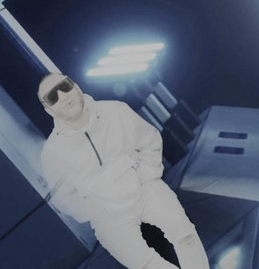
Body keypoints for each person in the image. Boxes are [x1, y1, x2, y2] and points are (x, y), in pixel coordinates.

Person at [38, 72, 210, 269]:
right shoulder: (53, 152)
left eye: (64, 87)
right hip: (108, 218)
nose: (63, 96)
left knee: (184, 234)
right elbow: (64, 198)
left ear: (75, 86)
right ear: (49, 110)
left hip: (145, 189)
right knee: (145, 264)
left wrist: (146, 176)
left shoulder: (115, 110)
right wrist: (97, 211)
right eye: (52, 96)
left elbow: (150, 140)